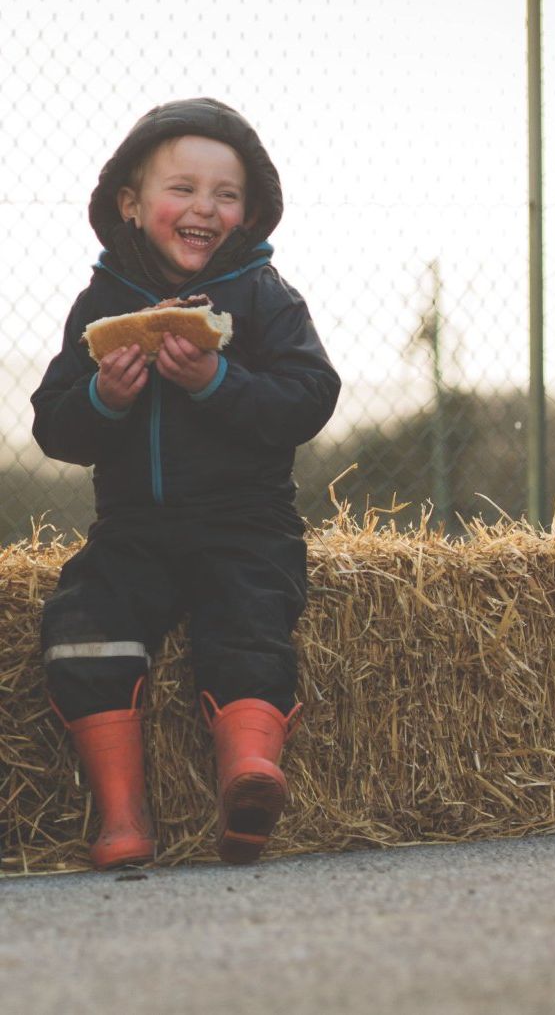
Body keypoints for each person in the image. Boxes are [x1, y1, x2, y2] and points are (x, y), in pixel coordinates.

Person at [31, 97, 341, 868]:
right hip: (133, 527)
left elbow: (310, 398)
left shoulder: (267, 296)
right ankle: (123, 816)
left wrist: (216, 381)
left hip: (247, 522)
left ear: (248, 213)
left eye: (225, 195)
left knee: (246, 620)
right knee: (83, 621)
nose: (204, 206)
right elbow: (52, 424)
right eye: (183, 189)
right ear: (131, 206)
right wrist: (106, 398)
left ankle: (249, 774)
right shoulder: (102, 305)